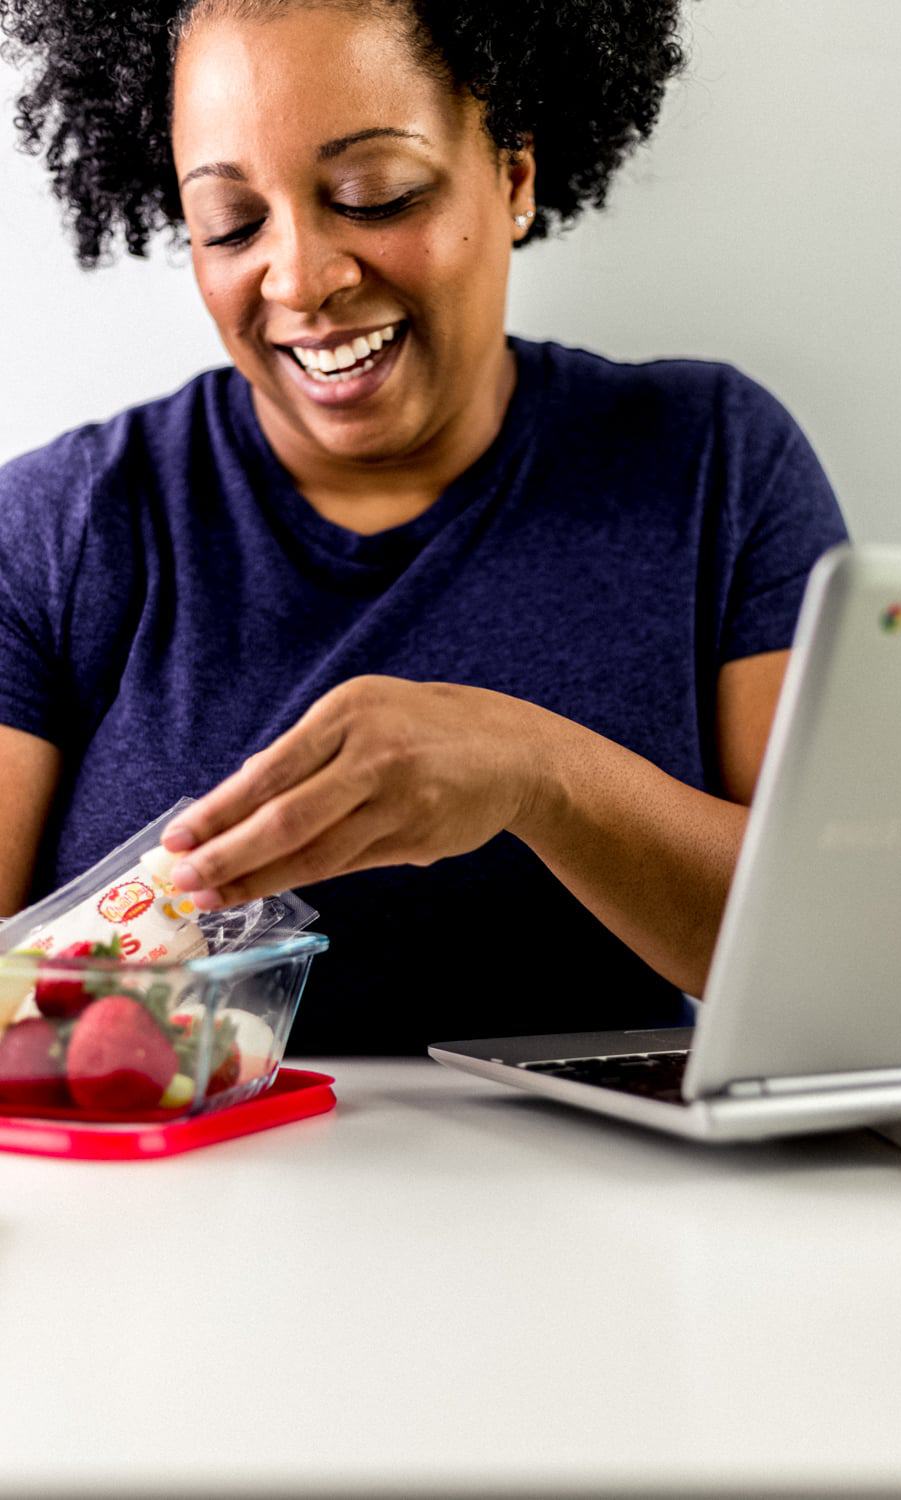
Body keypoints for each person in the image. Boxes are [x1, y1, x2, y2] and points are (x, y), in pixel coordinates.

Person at [0, 0, 848, 1053]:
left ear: (514, 175)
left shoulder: (711, 465)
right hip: (172, 1205)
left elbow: (845, 955)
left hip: (623, 1212)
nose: (302, 278)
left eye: (374, 194)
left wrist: (540, 773)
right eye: (231, 222)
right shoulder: (62, 527)